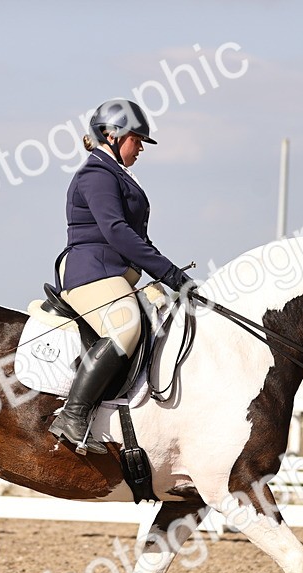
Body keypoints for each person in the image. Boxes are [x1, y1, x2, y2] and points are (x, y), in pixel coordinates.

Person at [48, 98, 194, 454]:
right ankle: (72, 415)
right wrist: (168, 272)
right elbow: (116, 232)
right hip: (91, 273)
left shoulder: (116, 173)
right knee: (126, 325)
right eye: (136, 138)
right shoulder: (96, 173)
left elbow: (137, 239)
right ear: (111, 135)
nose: (141, 146)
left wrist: (172, 277)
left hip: (115, 275)